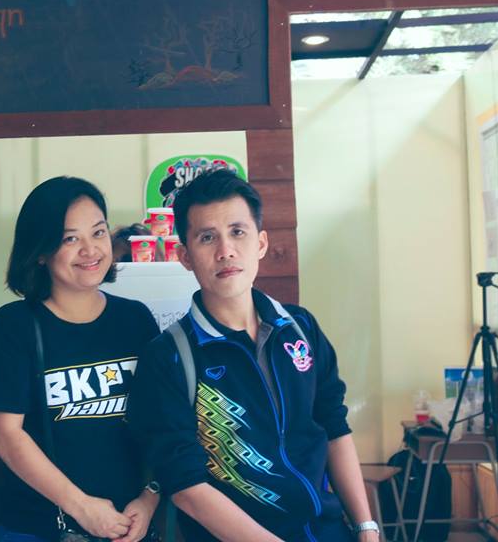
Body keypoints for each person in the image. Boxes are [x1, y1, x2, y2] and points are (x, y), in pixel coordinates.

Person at [127, 169, 378, 542]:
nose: (225, 250)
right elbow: (186, 487)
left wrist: (366, 526)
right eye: (207, 237)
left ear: (261, 243)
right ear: (184, 256)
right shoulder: (169, 357)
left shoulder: (300, 328)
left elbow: (334, 428)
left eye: (237, 232)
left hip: (327, 531)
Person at [0, 176, 161, 542]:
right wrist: (82, 508)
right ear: (40, 251)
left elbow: (160, 421)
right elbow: (5, 435)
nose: (90, 250)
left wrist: (149, 498)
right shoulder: (12, 327)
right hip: (39, 529)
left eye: (98, 232)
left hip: (127, 527)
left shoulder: (136, 320)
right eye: (70, 239)